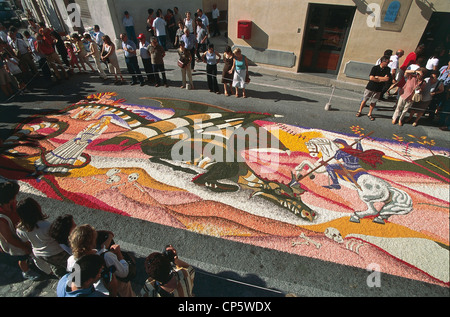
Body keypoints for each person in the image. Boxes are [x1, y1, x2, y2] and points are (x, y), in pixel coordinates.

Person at [67, 224, 135, 297]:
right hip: (115, 289)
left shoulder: (71, 260)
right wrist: (119, 254)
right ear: (93, 242)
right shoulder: (107, 257)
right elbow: (124, 273)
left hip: (96, 289)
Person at [15, 197, 70, 278]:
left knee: (57, 267)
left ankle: (63, 278)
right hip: (56, 251)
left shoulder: (20, 229)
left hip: (42, 255)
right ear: (36, 209)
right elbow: (59, 238)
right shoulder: (45, 226)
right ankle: (78, 280)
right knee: (72, 265)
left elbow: (26, 241)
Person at [0, 181, 38, 280]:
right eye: (14, 196)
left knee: (28, 252)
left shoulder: (12, 204)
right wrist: (24, 247)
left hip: (20, 234)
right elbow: (9, 238)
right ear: (8, 199)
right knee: (22, 258)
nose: (16, 198)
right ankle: (26, 271)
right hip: (16, 243)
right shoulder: (1, 218)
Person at [356, 56, 392, 120]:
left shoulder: (388, 69)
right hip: (370, 87)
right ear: (382, 61)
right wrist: (381, 78)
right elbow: (371, 78)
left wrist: (377, 77)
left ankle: (370, 113)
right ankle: (360, 111)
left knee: (374, 101)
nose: (387, 63)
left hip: (379, 88)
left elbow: (387, 79)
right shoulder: (375, 68)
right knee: (365, 99)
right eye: (387, 62)